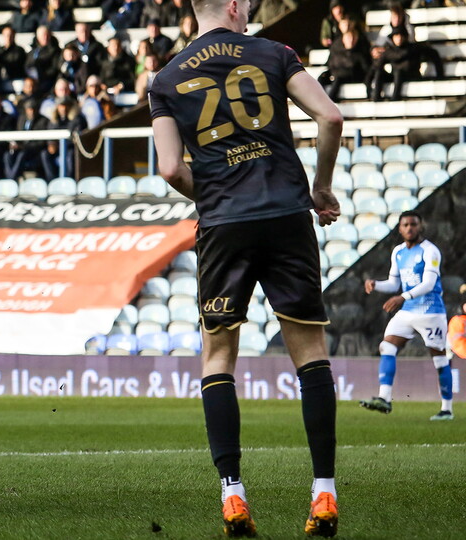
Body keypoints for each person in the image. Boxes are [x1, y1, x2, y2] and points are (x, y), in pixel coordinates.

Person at [148, 0, 343, 536]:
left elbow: (169, 167)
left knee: (218, 356)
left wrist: (211, 192)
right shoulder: (274, 53)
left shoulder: (165, 79)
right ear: (234, 7)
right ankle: (323, 493)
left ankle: (233, 494)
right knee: (310, 353)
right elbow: (330, 116)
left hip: (224, 224)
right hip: (285, 214)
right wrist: (320, 188)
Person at [361, 211, 452, 421]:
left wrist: (402, 297)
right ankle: (384, 398)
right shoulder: (398, 252)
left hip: (430, 311)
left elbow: (429, 284)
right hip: (408, 311)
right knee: (387, 346)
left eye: (413, 224)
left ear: (420, 226)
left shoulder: (430, 251)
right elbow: (394, 283)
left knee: (439, 359)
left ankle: (446, 409)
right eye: (405, 225)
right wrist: (377, 285)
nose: (409, 228)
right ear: (400, 228)